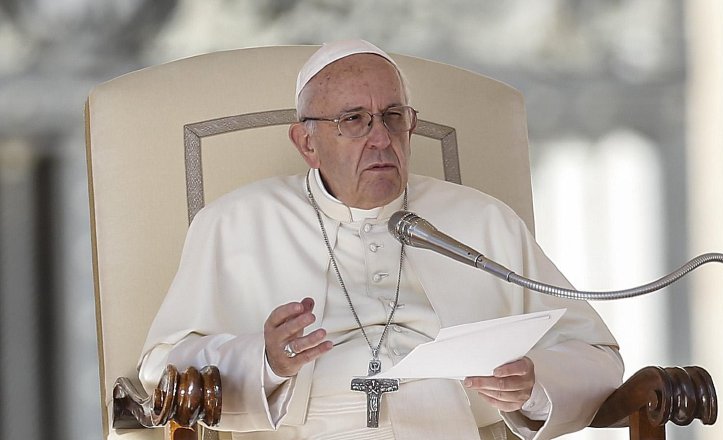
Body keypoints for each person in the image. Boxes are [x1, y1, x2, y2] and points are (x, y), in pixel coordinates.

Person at [139, 40, 624, 440]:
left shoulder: (482, 220)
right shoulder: (235, 222)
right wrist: (262, 361)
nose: (381, 138)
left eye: (393, 117)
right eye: (354, 120)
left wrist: (534, 384)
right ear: (306, 142)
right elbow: (161, 372)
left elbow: (597, 356)